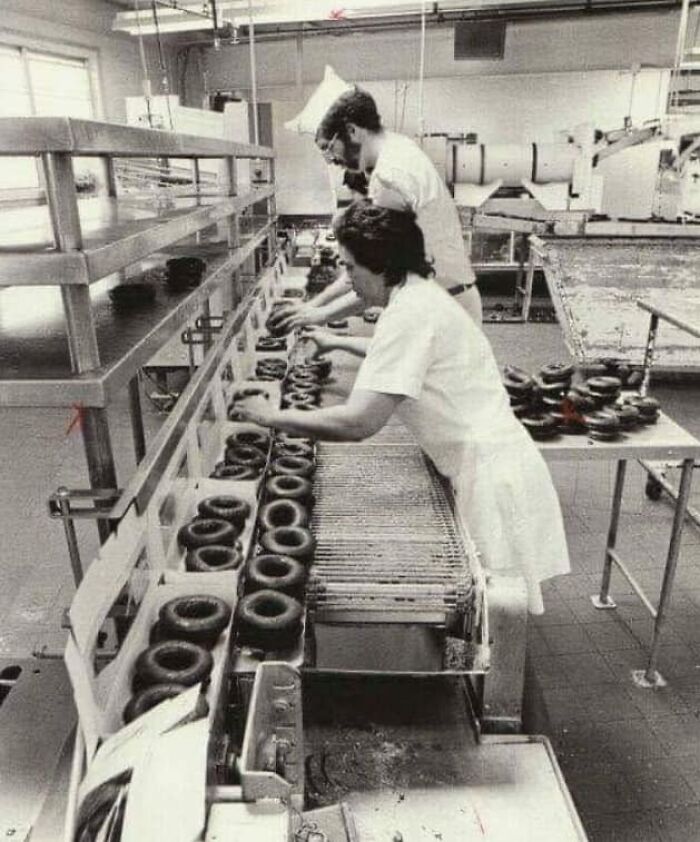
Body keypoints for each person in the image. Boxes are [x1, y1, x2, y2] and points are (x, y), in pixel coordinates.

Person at [240, 201, 569, 613]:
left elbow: (359, 422)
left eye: (351, 268)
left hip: (490, 475)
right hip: (487, 459)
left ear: (380, 265)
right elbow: (402, 357)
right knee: (492, 607)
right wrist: (337, 340)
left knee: (497, 615)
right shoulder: (418, 294)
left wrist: (270, 417)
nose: (350, 281)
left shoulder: (410, 313)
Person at [273, 87, 482, 332]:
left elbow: (377, 278)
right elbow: (365, 265)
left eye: (328, 148)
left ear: (352, 130)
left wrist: (316, 315)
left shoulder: (389, 178)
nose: (330, 160)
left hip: (443, 308)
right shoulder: (398, 148)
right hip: (446, 300)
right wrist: (315, 305)